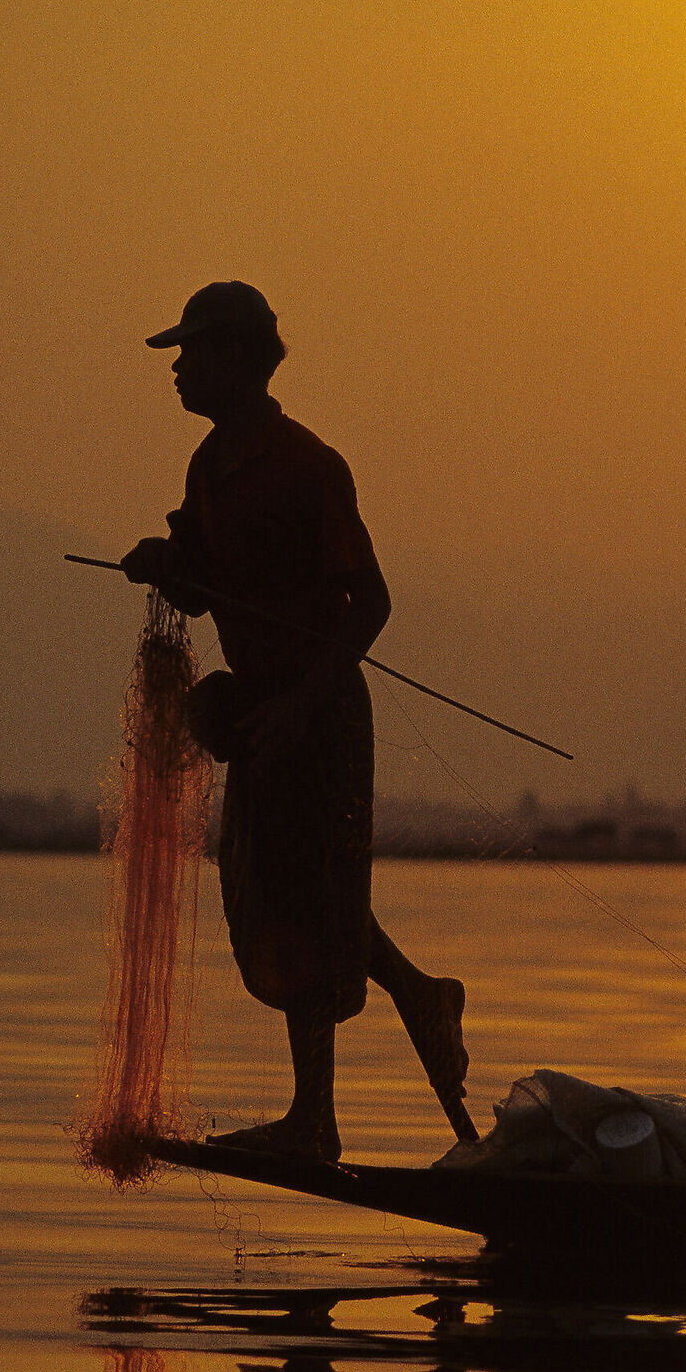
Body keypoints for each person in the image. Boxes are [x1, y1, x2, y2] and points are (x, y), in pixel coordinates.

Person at [121, 280, 474, 1161]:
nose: (177, 371)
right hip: (263, 706)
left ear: (238, 358)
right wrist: (165, 565)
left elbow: (371, 603)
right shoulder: (208, 467)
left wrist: (302, 703)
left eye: (191, 352)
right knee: (285, 897)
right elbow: (206, 587)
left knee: (312, 907)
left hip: (318, 714)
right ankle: (420, 1000)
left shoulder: (310, 467)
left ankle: (315, 1121)